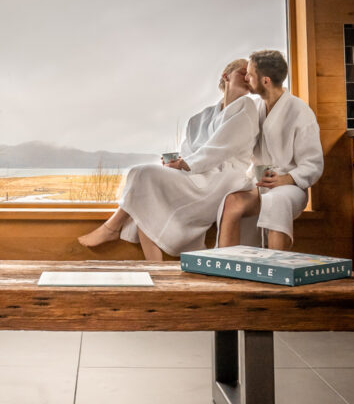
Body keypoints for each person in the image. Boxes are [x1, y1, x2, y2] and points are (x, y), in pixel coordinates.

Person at [77, 59, 260, 260]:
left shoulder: (247, 106)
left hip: (225, 180)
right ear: (226, 76)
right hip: (195, 174)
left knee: (143, 174)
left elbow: (223, 146)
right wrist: (177, 164)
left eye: (251, 75)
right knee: (147, 191)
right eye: (242, 72)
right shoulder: (200, 117)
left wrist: (187, 164)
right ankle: (154, 267)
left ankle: (111, 227)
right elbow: (188, 152)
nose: (247, 77)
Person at [217, 49, 323, 251]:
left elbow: (313, 164)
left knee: (275, 200)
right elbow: (234, 139)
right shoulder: (254, 108)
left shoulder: (299, 111)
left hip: (291, 187)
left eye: (250, 74)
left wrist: (286, 179)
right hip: (259, 183)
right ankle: (226, 262)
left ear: (265, 81)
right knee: (232, 201)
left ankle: (276, 267)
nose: (246, 78)